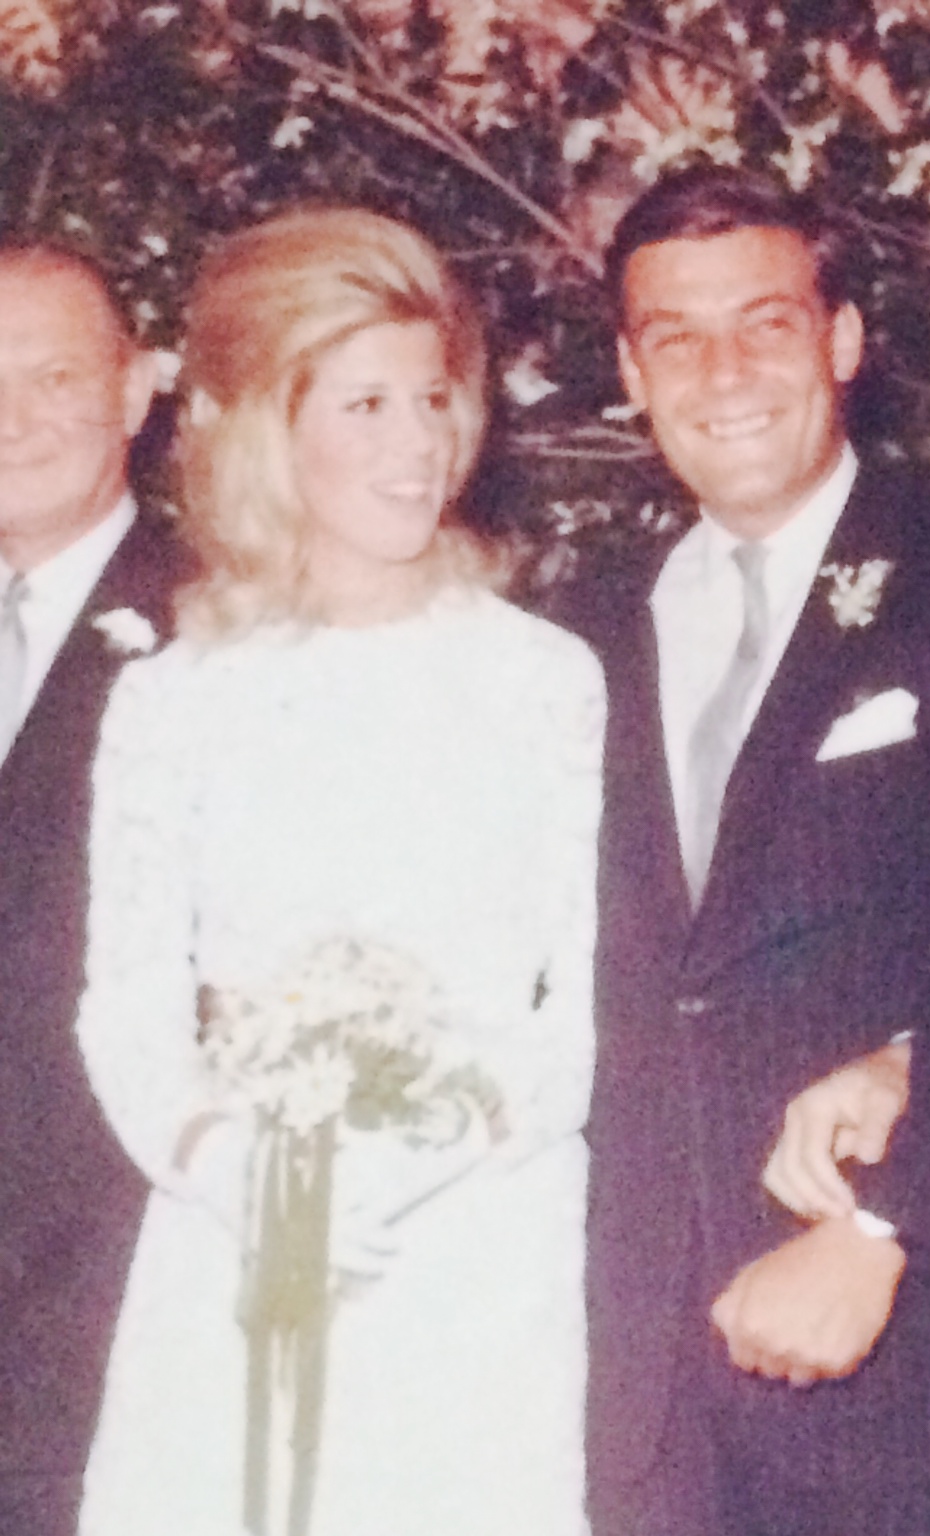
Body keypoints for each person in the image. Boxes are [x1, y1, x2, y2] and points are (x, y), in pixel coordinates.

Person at [560, 166, 930, 1535]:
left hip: (910, 1364)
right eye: (674, 335)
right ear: (630, 369)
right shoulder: (576, 628)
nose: (723, 370)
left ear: (845, 340)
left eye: (766, 322)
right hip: (638, 1389)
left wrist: (886, 1227)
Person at [72, 207, 603, 1535]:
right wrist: (226, 1166)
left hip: (474, 1256)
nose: (419, 443)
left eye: (434, 396)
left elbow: (589, 1013)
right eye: (365, 403)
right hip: (232, 1247)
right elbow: (126, 1006)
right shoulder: (175, 700)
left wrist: (431, 1146)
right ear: (266, 423)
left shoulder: (546, 684)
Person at [0, 243, 186, 1536]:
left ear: (137, 388)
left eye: (54, 375)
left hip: (89, 1326)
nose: (10, 419)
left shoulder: (227, 624)